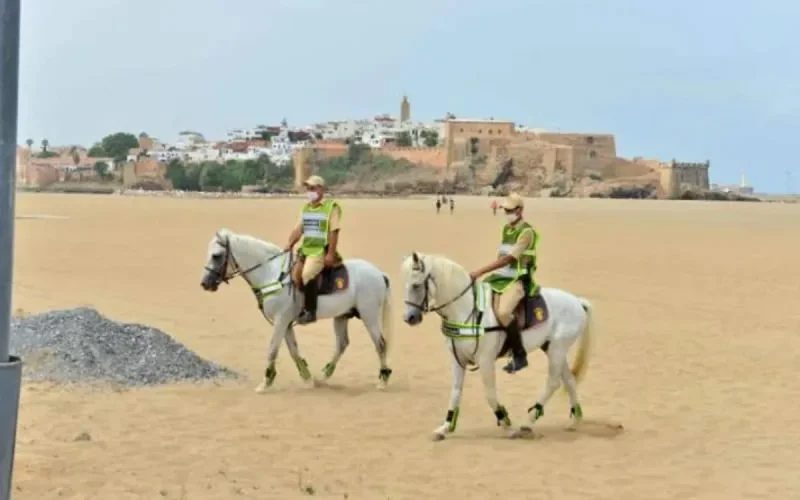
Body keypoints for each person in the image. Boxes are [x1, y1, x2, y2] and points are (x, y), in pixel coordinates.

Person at [469, 193, 538, 374]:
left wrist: (480, 271)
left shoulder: (527, 232)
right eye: (505, 210)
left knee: (504, 312)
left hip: (518, 278)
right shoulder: (507, 229)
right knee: (480, 303)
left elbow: (509, 258)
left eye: (509, 210)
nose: (507, 213)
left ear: (520, 210)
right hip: (501, 277)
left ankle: (519, 354)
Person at [284, 175, 342, 324]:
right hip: (306, 249)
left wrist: (330, 254)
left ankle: (311, 311)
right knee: (294, 276)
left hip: (320, 250)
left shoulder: (331, 207)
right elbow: (299, 229)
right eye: (308, 188)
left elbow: (333, 232)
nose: (309, 191)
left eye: (313, 188)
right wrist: (289, 244)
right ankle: (298, 306)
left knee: (307, 274)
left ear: (321, 189)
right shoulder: (306, 207)